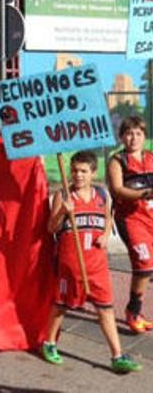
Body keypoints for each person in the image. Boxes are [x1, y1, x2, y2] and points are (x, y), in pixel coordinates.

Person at [42, 150, 142, 373]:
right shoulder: (64, 195)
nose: (78, 175)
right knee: (62, 305)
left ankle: (117, 355)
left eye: (83, 171)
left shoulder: (102, 195)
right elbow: (51, 228)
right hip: (71, 262)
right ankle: (49, 343)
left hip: (96, 264)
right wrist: (62, 213)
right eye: (75, 170)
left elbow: (108, 218)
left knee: (105, 308)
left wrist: (106, 234)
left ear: (93, 173)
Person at [107, 115, 153, 334]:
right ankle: (132, 311)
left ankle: (138, 311)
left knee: (148, 267)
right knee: (144, 263)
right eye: (128, 133)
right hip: (130, 219)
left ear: (144, 136)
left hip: (150, 217)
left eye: (138, 133)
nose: (133, 138)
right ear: (122, 137)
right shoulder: (118, 161)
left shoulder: (151, 158)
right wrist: (145, 193)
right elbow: (117, 190)